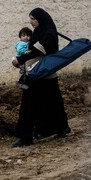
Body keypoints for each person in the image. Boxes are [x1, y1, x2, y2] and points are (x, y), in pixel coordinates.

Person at [11, 8, 71, 147]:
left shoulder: (48, 33)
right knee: (45, 103)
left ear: (41, 19)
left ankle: (26, 137)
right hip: (36, 74)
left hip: (43, 75)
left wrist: (20, 59)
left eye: (33, 18)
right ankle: (50, 129)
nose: (30, 21)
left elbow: (37, 50)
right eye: (30, 18)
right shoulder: (39, 32)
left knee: (38, 104)